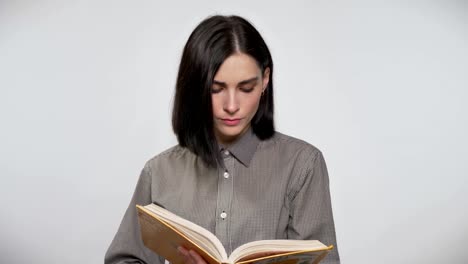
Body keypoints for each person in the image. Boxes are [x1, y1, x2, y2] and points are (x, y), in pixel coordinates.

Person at [105, 15, 340, 264]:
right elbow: (125, 259)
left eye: (246, 88)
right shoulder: (160, 171)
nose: (231, 106)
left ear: (265, 80)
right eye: (215, 89)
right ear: (196, 87)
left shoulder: (303, 165)